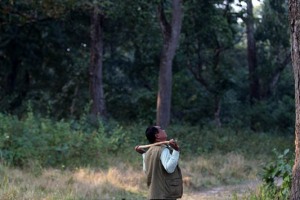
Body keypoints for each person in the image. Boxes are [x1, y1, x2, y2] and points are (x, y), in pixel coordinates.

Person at [135, 125, 183, 200]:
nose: (163, 130)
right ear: (157, 135)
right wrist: (176, 150)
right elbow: (169, 168)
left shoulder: (148, 152)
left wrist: (144, 154)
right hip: (164, 194)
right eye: (161, 129)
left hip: (154, 194)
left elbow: (146, 170)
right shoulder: (163, 150)